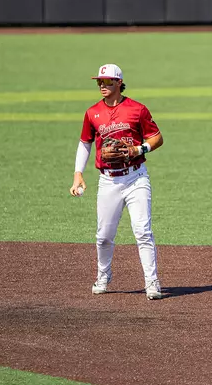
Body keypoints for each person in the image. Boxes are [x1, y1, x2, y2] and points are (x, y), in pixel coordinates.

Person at [69, 64, 164, 300]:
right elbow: (85, 142)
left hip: (136, 177)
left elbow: (157, 138)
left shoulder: (137, 109)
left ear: (119, 82)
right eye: (99, 82)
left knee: (143, 231)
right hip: (108, 181)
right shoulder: (92, 113)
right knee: (104, 236)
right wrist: (78, 173)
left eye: (107, 81)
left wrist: (138, 149)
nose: (102, 85)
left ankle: (152, 282)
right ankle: (103, 276)